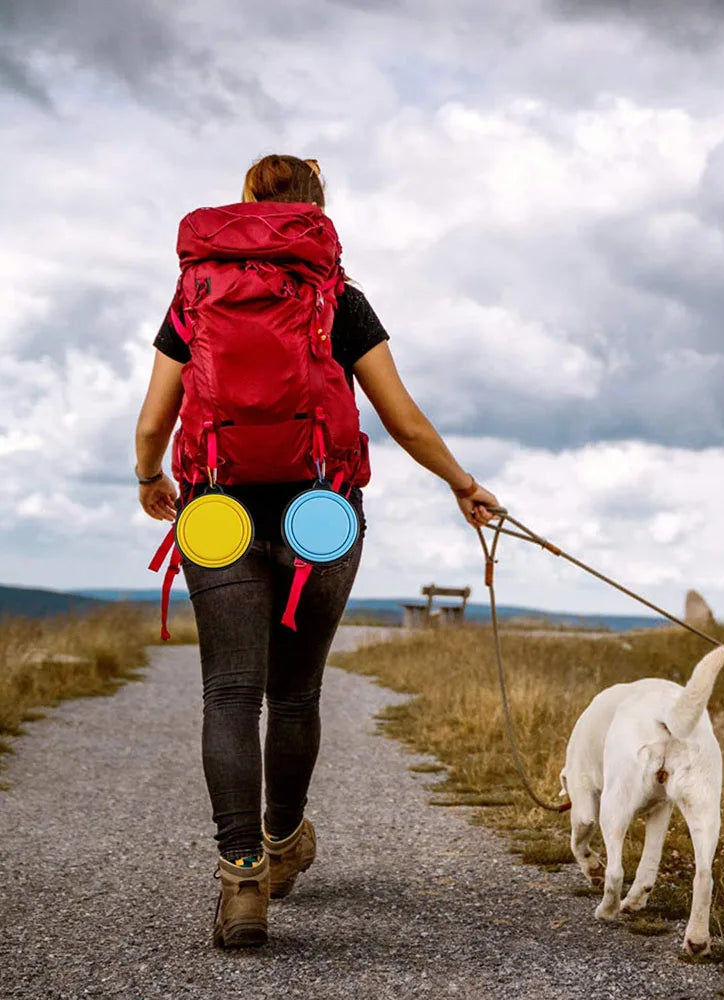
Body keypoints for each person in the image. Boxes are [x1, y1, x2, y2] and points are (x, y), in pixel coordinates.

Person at [134, 154, 498, 948]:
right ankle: (282, 839)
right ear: (316, 210)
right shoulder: (336, 296)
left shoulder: (196, 292)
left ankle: (240, 883)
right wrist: (461, 484)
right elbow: (400, 418)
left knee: (230, 694)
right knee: (294, 695)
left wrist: (147, 476)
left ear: (245, 205)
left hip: (216, 512)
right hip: (320, 515)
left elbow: (155, 417)